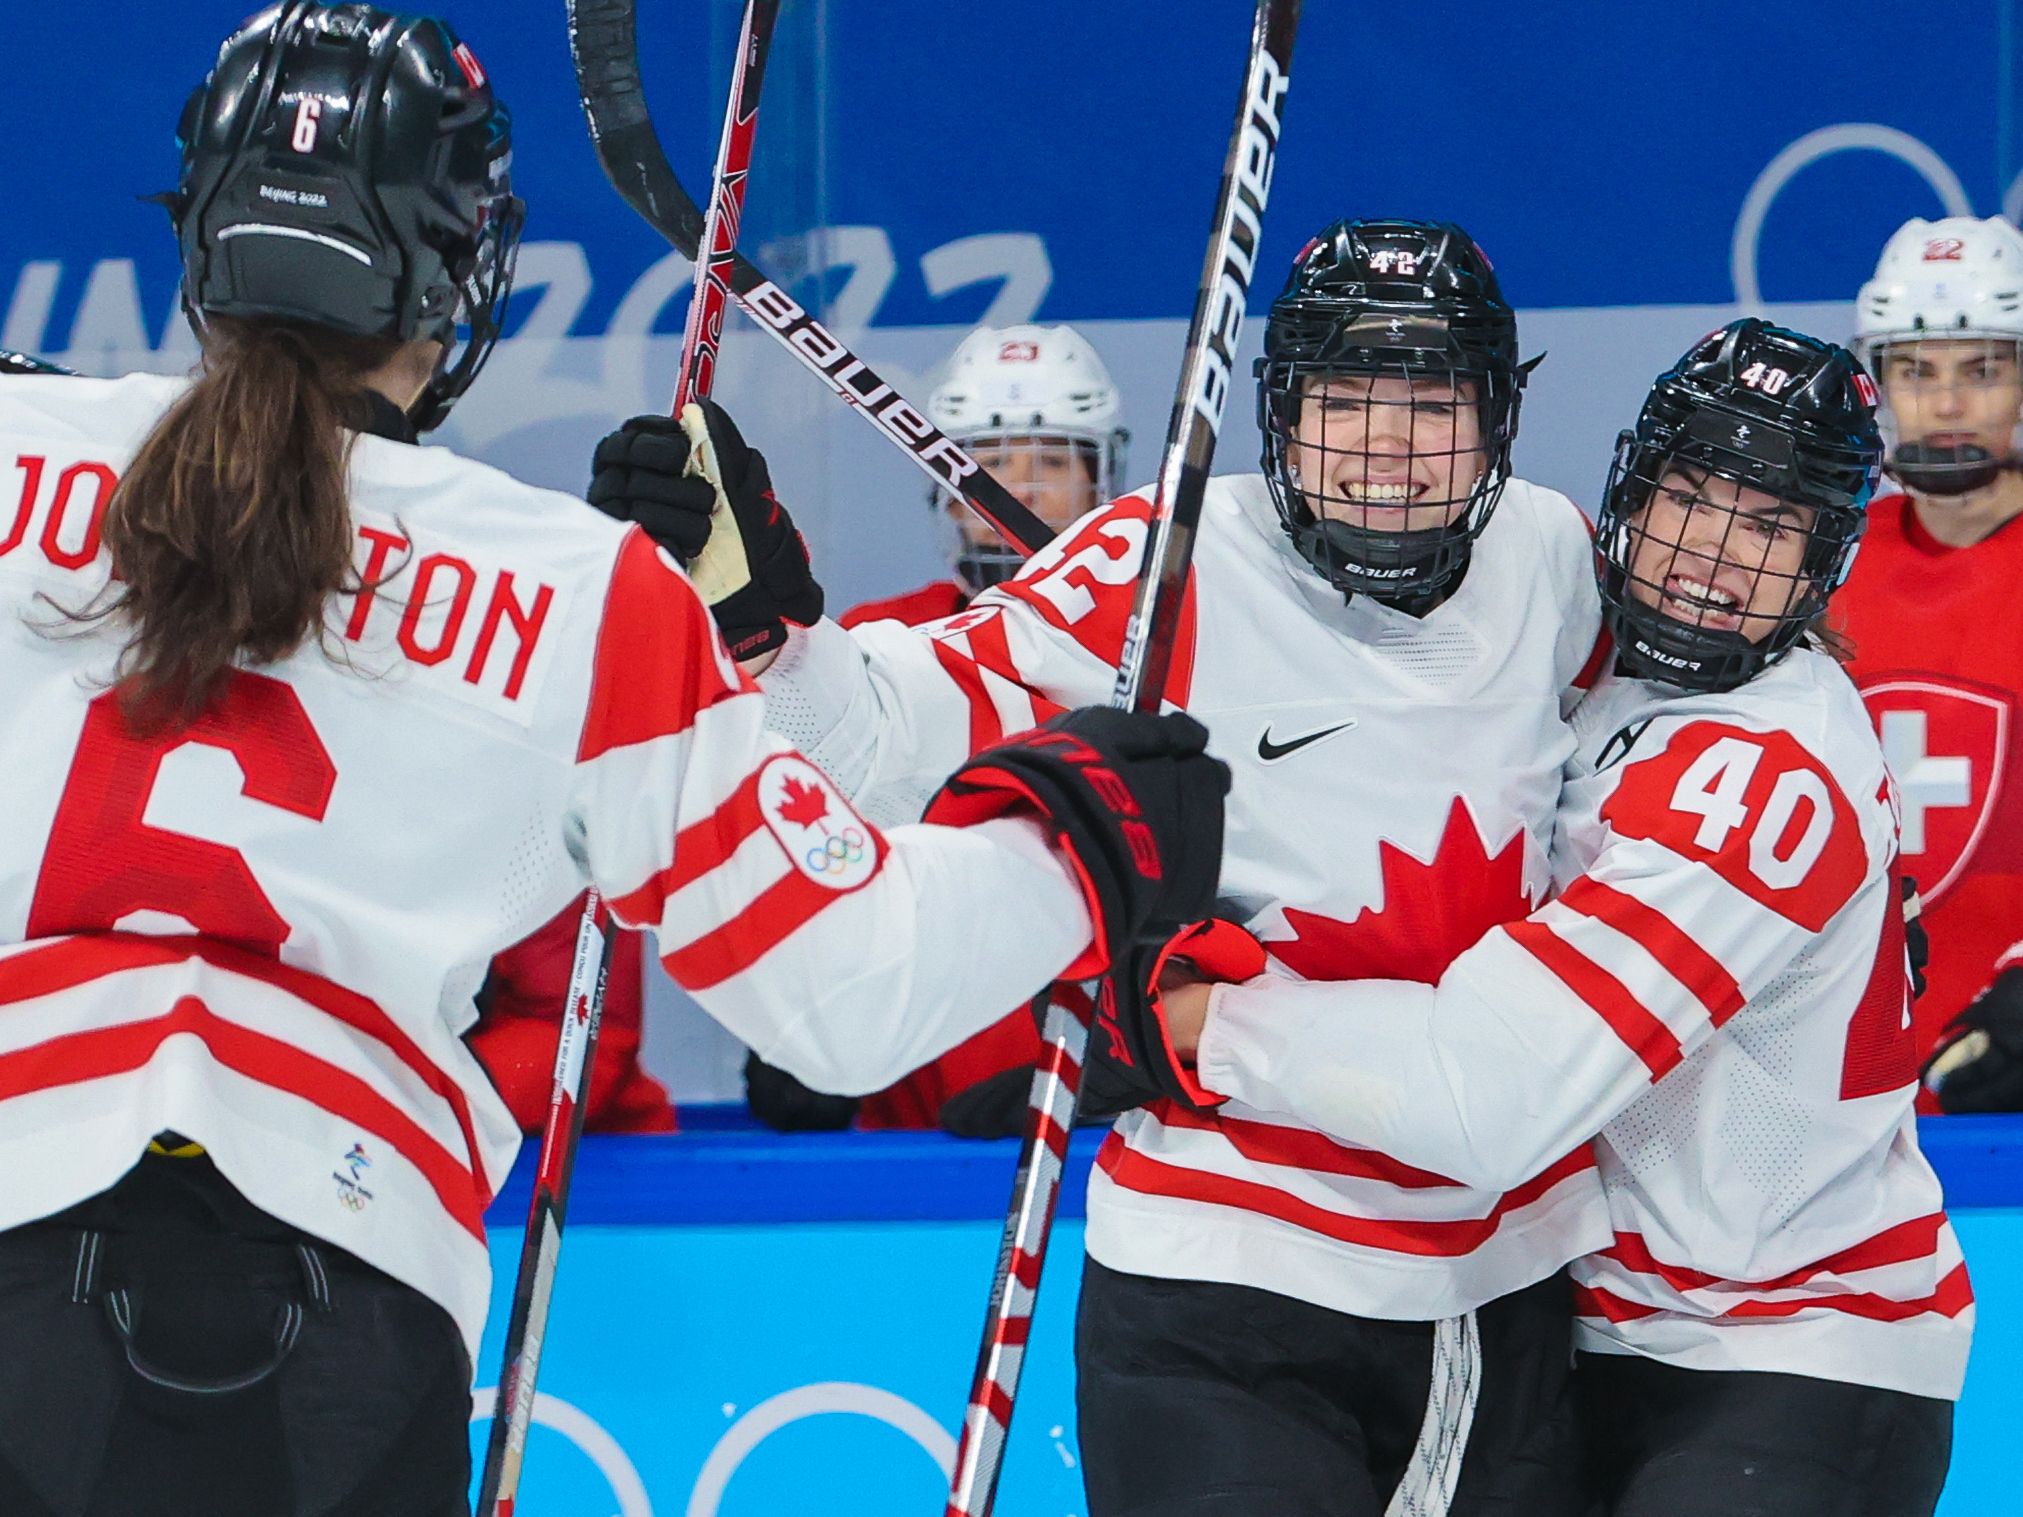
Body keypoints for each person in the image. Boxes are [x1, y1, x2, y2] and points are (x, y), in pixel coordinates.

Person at [0, 5, 1226, 1513]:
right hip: (334, 1285)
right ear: (459, 268)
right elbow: (844, 1002)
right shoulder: (583, 591)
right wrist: (1080, 843)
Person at [594, 219, 1610, 1514]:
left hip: (1500, 1293)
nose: (1385, 445)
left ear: (1497, 422)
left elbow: (1664, 743)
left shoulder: (1551, 561)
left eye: (1431, 400)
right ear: (1279, 411)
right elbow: (880, 737)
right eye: (1344, 397)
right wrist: (755, 621)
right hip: (1220, 1279)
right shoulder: (1152, 563)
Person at [1144, 320, 1968, 1516]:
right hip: (1586, 1333)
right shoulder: (1594, 667)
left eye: (1770, 525)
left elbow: (1496, 1095)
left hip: (1791, 1346)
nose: (1712, 554)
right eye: (1694, 493)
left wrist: (1208, 1026)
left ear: (1824, 556)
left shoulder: (1764, 770)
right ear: (1632, 488)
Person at [745, 322, 1128, 1136]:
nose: (1019, 488)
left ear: (1102, 482)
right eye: (989, 463)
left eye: (1053, 461)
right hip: (909, 1094)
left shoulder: (1157, 649)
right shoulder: (877, 643)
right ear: (947, 489)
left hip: (1104, 1091)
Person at [1838, 214, 2023, 1111]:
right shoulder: (1812, 568)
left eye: (1981, 370)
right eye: (1915, 370)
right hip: (1846, 1109)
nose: (1945, 404)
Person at [470, 903, 672, 1135]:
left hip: (599, 1149)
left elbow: (587, 1039)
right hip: (471, 1122)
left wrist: (450, 1088)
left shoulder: (543, 876)